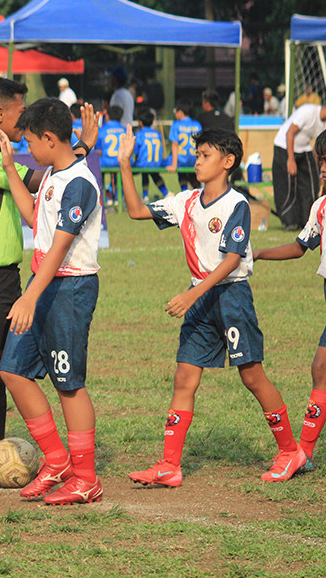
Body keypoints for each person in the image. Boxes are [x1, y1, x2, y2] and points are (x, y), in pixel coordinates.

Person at [117, 127, 307, 486]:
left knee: (252, 375)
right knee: (184, 377)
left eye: (205, 155)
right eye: (197, 154)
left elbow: (232, 260)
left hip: (231, 297)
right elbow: (135, 211)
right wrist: (125, 164)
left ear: (228, 161)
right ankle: (170, 465)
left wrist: (192, 295)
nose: (197, 161)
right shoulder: (185, 201)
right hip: (201, 297)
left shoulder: (236, 205)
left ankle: (290, 451)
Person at [0, 77, 97, 496]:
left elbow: (55, 174)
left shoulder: (5, 156)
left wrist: (76, 148)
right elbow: (43, 178)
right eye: (19, 110)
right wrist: (81, 146)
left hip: (7, 279)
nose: (24, 117)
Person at [0, 97, 104, 505]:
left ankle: (86, 478)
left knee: (68, 384)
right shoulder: (55, 174)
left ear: (49, 138)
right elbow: (33, 219)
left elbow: (60, 247)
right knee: (13, 371)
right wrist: (10, 169)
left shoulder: (80, 183)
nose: (28, 150)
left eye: (30, 143)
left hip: (69, 290)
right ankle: (56, 460)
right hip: (42, 286)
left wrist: (29, 296)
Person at [253, 132, 326, 472]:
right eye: (321, 160)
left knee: (321, 368)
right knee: (320, 369)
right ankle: (304, 454)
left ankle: (304, 453)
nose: (322, 167)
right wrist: (258, 254)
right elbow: (299, 247)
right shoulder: (320, 207)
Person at [271, 104, 326, 230]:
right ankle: (290, 221)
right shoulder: (308, 112)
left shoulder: (324, 124)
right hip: (285, 147)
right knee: (288, 185)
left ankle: (307, 220)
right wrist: (290, 159)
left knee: (311, 183)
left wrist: (318, 166)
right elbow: (289, 133)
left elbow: (319, 146)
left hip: (304, 148)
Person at [132, 109, 168, 201]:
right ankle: (166, 193)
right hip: (156, 163)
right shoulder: (158, 134)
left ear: (140, 122)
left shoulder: (139, 134)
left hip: (143, 164)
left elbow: (135, 152)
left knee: (143, 171)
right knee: (154, 173)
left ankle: (145, 196)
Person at [167, 101, 201, 191]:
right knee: (194, 177)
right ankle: (199, 192)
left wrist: (174, 165)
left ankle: (184, 191)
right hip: (194, 160)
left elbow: (174, 145)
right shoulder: (197, 124)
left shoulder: (176, 125)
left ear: (181, 112)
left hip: (181, 160)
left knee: (181, 174)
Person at [99, 106, 124, 204]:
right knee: (118, 175)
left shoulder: (102, 130)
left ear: (107, 116)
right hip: (122, 161)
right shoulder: (125, 129)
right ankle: (117, 198)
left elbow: (98, 150)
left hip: (105, 162)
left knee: (98, 171)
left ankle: (104, 198)